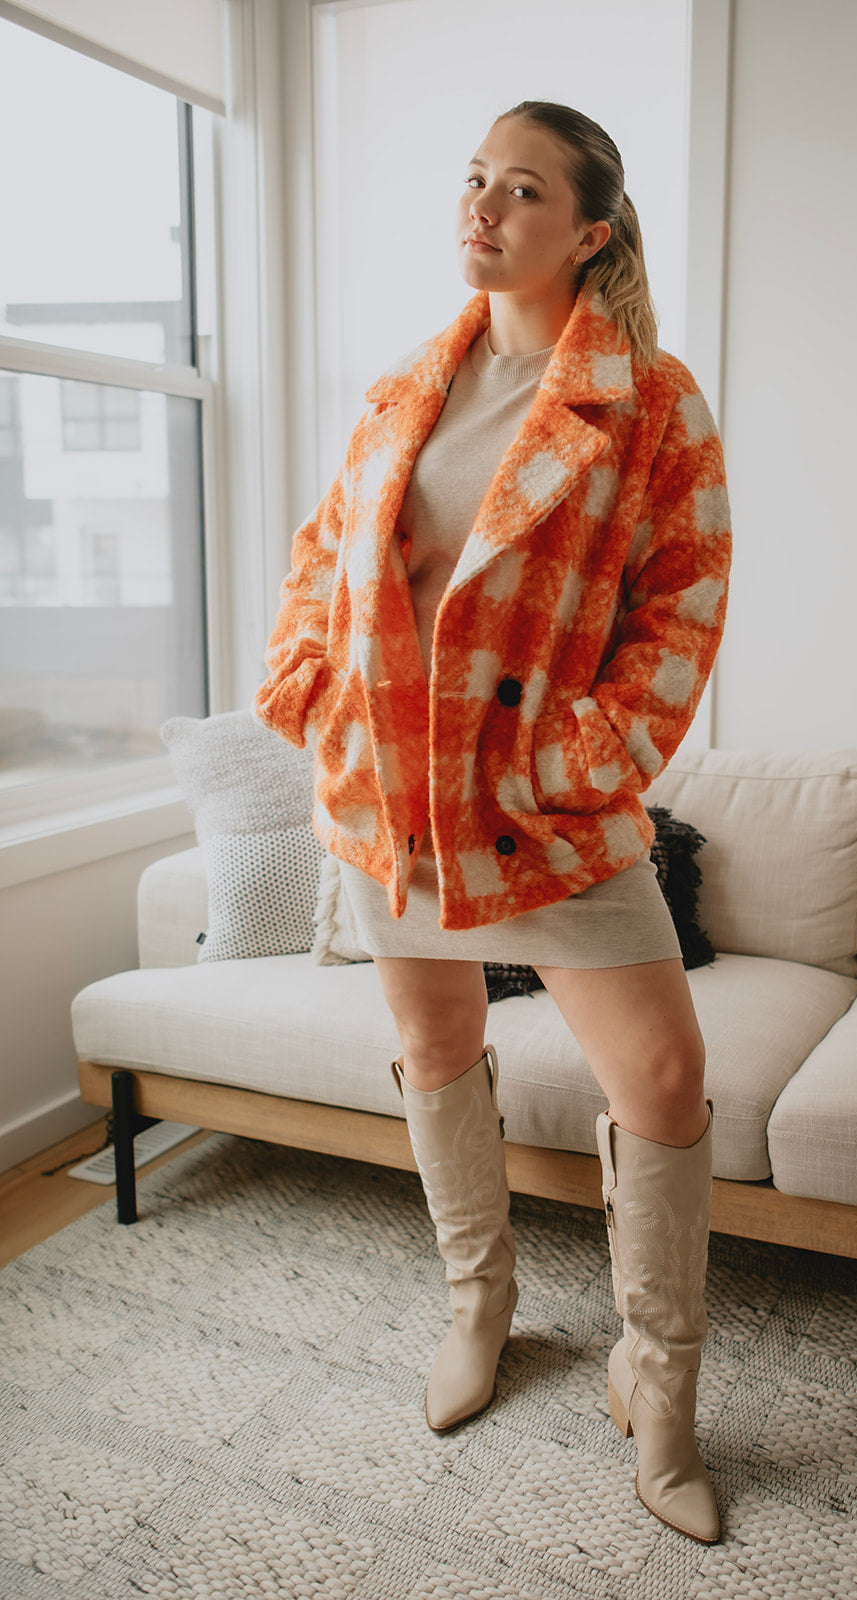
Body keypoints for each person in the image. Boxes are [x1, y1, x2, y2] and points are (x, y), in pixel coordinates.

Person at [255, 101, 731, 1545]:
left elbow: (684, 602)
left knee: (663, 1078)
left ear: (588, 231)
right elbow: (323, 554)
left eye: (521, 189)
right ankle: (481, 1303)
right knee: (436, 1044)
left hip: (545, 806)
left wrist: (588, 756)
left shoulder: (649, 401)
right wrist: (308, 690)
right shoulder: (409, 383)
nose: (483, 205)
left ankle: (659, 1385)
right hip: (394, 791)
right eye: (475, 179)